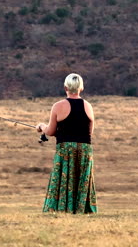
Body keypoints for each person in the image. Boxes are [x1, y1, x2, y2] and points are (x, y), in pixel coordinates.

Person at [36, 73, 98, 214]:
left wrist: (41, 126)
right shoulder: (88, 106)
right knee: (82, 179)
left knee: (64, 179)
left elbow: (50, 131)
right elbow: (89, 131)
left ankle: (62, 209)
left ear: (65, 87)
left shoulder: (58, 106)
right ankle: (82, 209)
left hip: (66, 149)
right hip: (85, 149)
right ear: (81, 88)